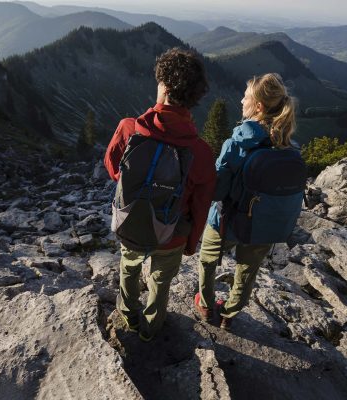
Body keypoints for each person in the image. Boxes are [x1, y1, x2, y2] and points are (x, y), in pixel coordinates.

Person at [105, 48, 216, 341]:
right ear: (194, 98)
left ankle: (128, 316)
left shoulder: (129, 129)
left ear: (164, 88)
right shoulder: (201, 153)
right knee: (161, 280)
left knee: (128, 269)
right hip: (173, 234)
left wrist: (142, 184)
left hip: (132, 221)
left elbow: (113, 168)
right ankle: (151, 328)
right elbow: (201, 205)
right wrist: (191, 243)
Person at [195, 73, 298, 331]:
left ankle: (207, 306)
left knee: (207, 260)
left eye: (246, 97)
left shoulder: (237, 143)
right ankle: (230, 313)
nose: (241, 100)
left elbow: (217, 191)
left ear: (258, 107)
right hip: (265, 224)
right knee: (247, 270)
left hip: (228, 219)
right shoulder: (288, 144)